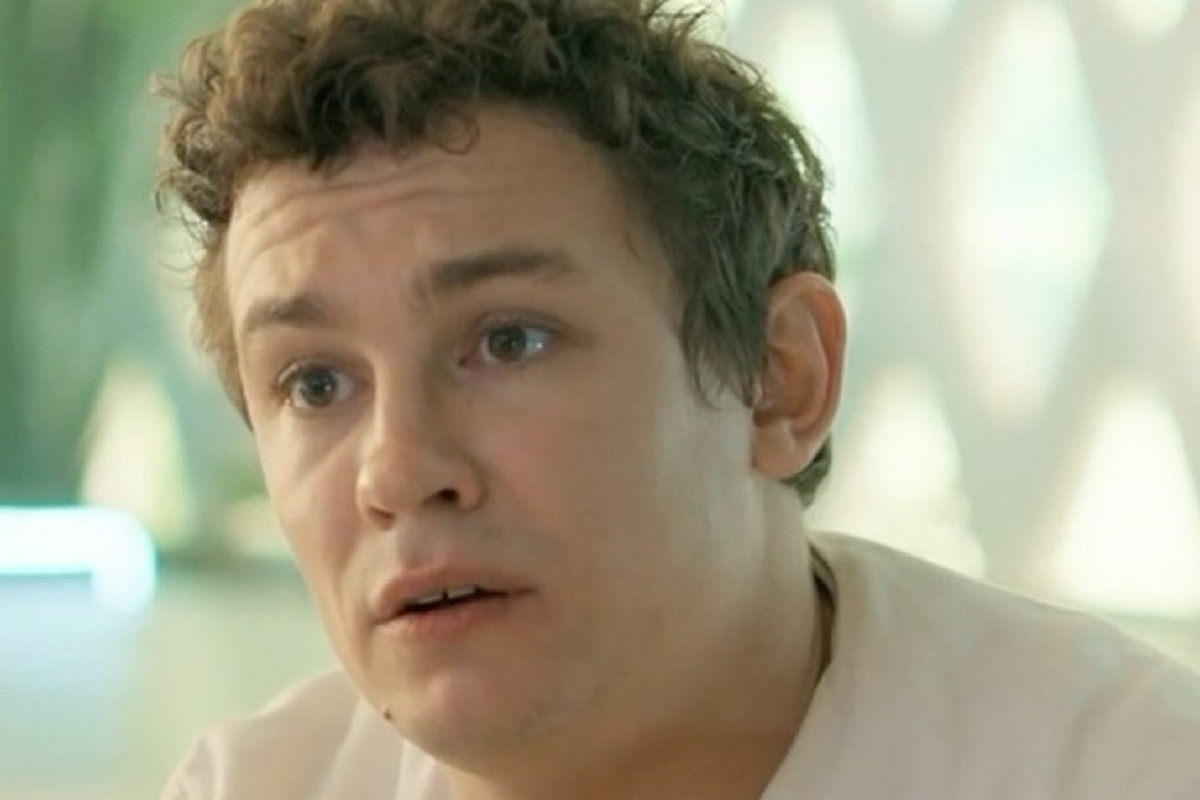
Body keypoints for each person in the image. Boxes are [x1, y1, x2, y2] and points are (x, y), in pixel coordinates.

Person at [153, 1, 1200, 798]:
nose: (396, 470)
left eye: (509, 340)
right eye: (315, 382)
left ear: (778, 379)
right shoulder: (255, 784)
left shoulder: (1126, 767)